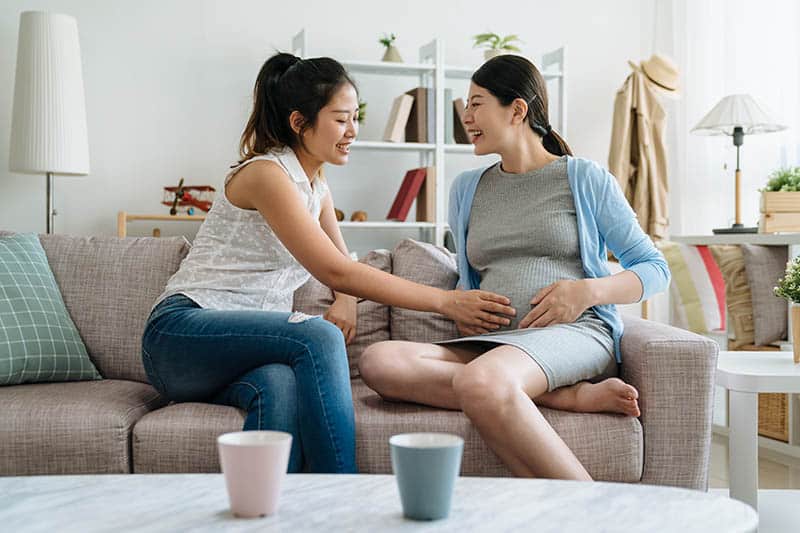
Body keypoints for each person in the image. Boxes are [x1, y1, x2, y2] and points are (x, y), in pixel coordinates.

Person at [141, 53, 516, 474]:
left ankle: (271, 511)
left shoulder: (316, 186)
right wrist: (447, 302)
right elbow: (337, 272)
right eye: (341, 119)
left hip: (234, 352)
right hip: (181, 334)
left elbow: (343, 266)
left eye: (356, 117)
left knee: (280, 387)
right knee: (317, 337)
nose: (352, 131)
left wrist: (348, 301)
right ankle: (344, 498)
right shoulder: (267, 175)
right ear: (299, 122)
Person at [357, 54, 671, 480]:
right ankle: (563, 397)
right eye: (466, 106)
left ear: (517, 109)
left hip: (574, 335)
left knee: (479, 381)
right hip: (494, 344)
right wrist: (461, 305)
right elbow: (469, 275)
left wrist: (587, 292)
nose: (466, 117)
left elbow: (654, 268)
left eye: (476, 103)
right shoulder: (467, 188)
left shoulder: (582, 177)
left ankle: (595, 512)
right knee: (380, 361)